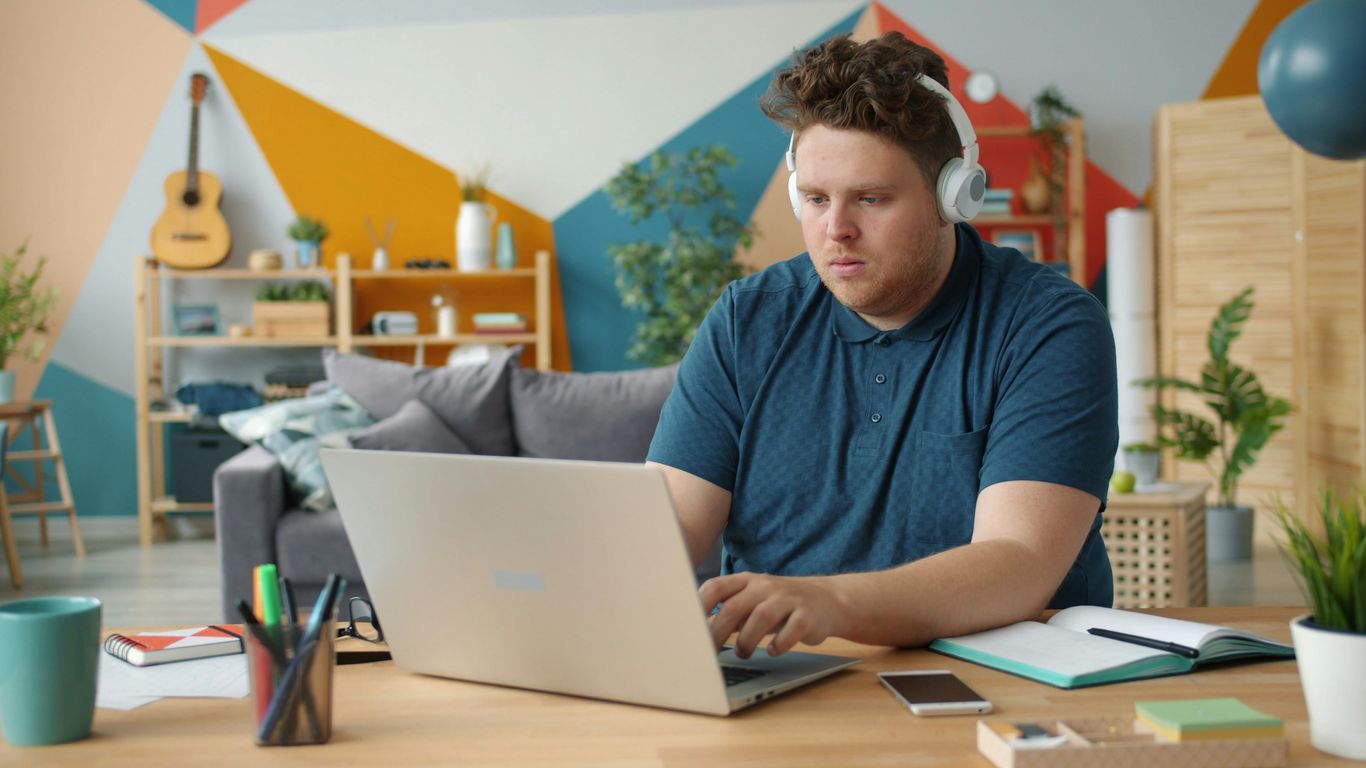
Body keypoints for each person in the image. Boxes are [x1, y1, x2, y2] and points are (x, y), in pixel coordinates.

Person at [645, 32, 1118, 660]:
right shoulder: (746, 321)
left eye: (870, 199)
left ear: (953, 197)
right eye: (814, 199)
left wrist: (830, 603)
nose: (835, 229)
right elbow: (664, 532)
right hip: (782, 675)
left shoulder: (1048, 326)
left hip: (1002, 682)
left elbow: (1021, 563)